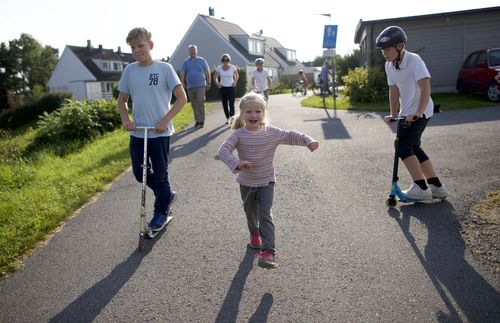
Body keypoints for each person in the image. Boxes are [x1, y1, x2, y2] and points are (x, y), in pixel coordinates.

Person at [217, 92, 319, 269]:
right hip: (246, 182)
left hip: (266, 182)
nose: (253, 115)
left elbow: (291, 135)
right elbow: (223, 151)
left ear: (264, 113)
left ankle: (269, 252)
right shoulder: (238, 135)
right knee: (250, 214)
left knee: (265, 214)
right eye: (249, 112)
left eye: (258, 111)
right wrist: (238, 164)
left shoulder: (272, 133)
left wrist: (308, 141)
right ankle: (254, 233)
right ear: (242, 114)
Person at [117, 27, 187, 231]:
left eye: (141, 45)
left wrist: (165, 120)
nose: (137, 50)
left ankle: (160, 211)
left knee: (160, 172)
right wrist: (126, 119)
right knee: (140, 174)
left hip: (159, 132)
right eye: (133, 47)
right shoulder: (129, 71)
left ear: (150, 45)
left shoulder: (165, 68)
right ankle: (166, 196)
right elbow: (122, 100)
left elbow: (182, 98)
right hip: (138, 132)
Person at [376, 25, 448, 200]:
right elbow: (394, 91)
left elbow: (425, 87)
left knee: (403, 147)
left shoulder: (414, 60)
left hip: (421, 110)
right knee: (414, 147)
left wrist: (418, 112)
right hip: (406, 111)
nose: (384, 53)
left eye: (387, 49)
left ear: (399, 46)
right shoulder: (389, 65)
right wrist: (393, 113)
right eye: (382, 50)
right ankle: (436, 187)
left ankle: (421, 188)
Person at [180, 44, 211, 128]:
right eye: (191, 50)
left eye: (194, 50)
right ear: (189, 52)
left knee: (200, 102)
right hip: (190, 86)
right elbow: (182, 73)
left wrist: (209, 82)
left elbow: (207, 71)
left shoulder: (202, 60)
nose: (192, 52)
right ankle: (197, 121)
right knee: (194, 104)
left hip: (201, 85)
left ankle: (201, 121)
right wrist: (182, 83)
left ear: (196, 51)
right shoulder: (185, 62)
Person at [214, 53, 239, 124]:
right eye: (224, 59)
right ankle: (228, 118)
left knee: (231, 103)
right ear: (222, 60)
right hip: (223, 88)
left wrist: (235, 81)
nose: (225, 61)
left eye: (227, 59)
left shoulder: (232, 67)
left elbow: (237, 75)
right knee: (224, 104)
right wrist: (217, 83)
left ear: (229, 60)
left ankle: (232, 118)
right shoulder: (219, 68)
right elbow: (215, 77)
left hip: (231, 87)